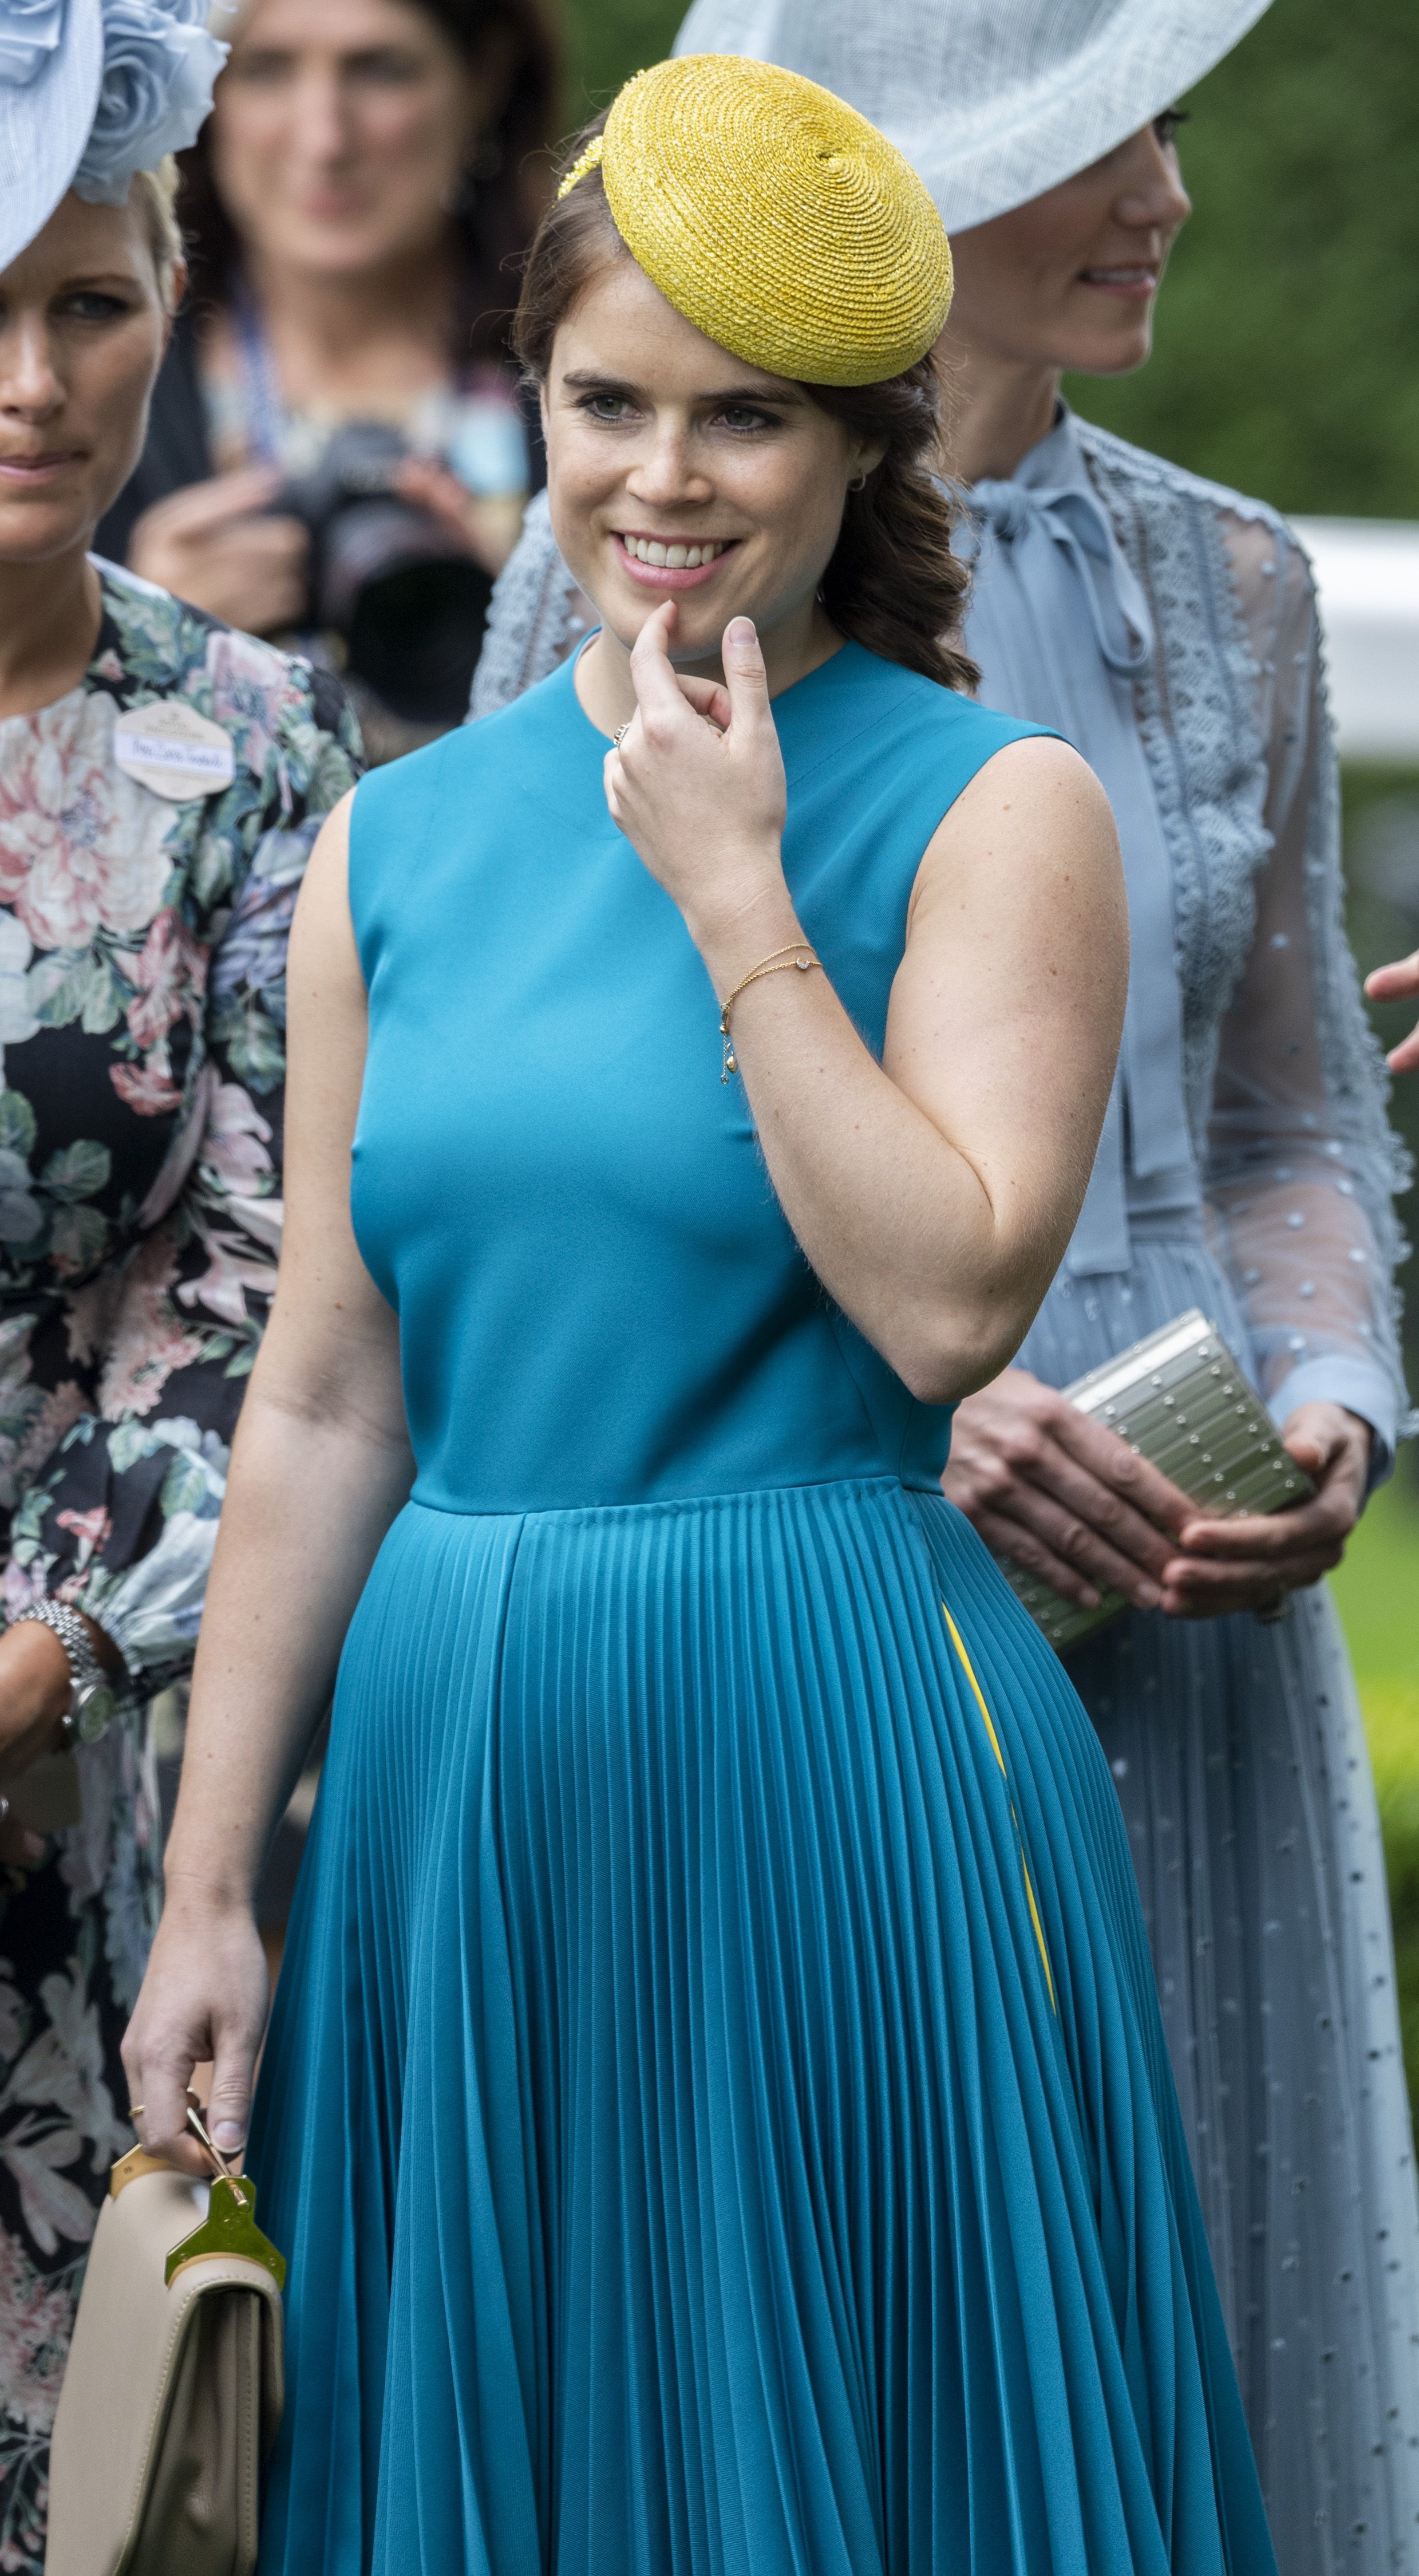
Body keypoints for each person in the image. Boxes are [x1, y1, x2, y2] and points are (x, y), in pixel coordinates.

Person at [124, 53, 1282, 2576]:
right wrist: (215, 1888)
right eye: (605, 403)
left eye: (743, 416)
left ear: (860, 447)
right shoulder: (392, 843)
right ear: (529, 404)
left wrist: (738, 899)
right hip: (454, 1778)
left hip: (822, 1752)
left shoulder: (992, 814)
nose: (665, 478)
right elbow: (325, 1395)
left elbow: (947, 1302)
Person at [471, 2, 1419, 2565]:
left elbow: (1277, 1113)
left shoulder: (1224, 581)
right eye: (1109, 130)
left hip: (1187, 1598)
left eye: (1179, 127)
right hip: (832, 1564)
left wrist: (1321, 1403)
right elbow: (537, 1115)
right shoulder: (629, 567)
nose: (1168, 198)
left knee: (1200, 2292)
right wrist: (926, 1402)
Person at [0, 2, 359, 2557]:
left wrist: (30, 1648)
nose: (33, 379)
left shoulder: (249, 744)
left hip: (64, 1757)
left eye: (91, 306)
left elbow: (258, 1282)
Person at [96, 0, 560, 758]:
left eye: (380, 69)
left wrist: (542, 635)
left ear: (484, 80)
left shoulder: (590, 367)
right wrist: (131, 641)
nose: (325, 138)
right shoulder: (91, 382)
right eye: (266, 70)